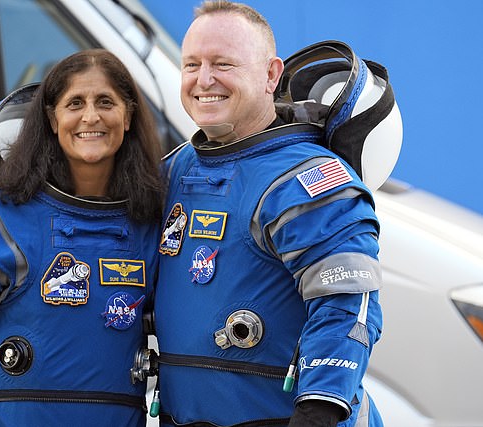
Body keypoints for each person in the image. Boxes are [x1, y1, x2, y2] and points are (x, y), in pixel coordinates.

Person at [0, 48, 164, 427]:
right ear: (53, 119)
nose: (91, 117)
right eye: (75, 103)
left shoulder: (151, 224)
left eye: (106, 102)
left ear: (129, 115)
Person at [152, 1, 384, 426]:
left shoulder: (308, 177)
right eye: (192, 65)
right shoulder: (177, 168)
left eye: (223, 63)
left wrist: (319, 409)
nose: (205, 80)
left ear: (271, 75)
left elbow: (349, 303)